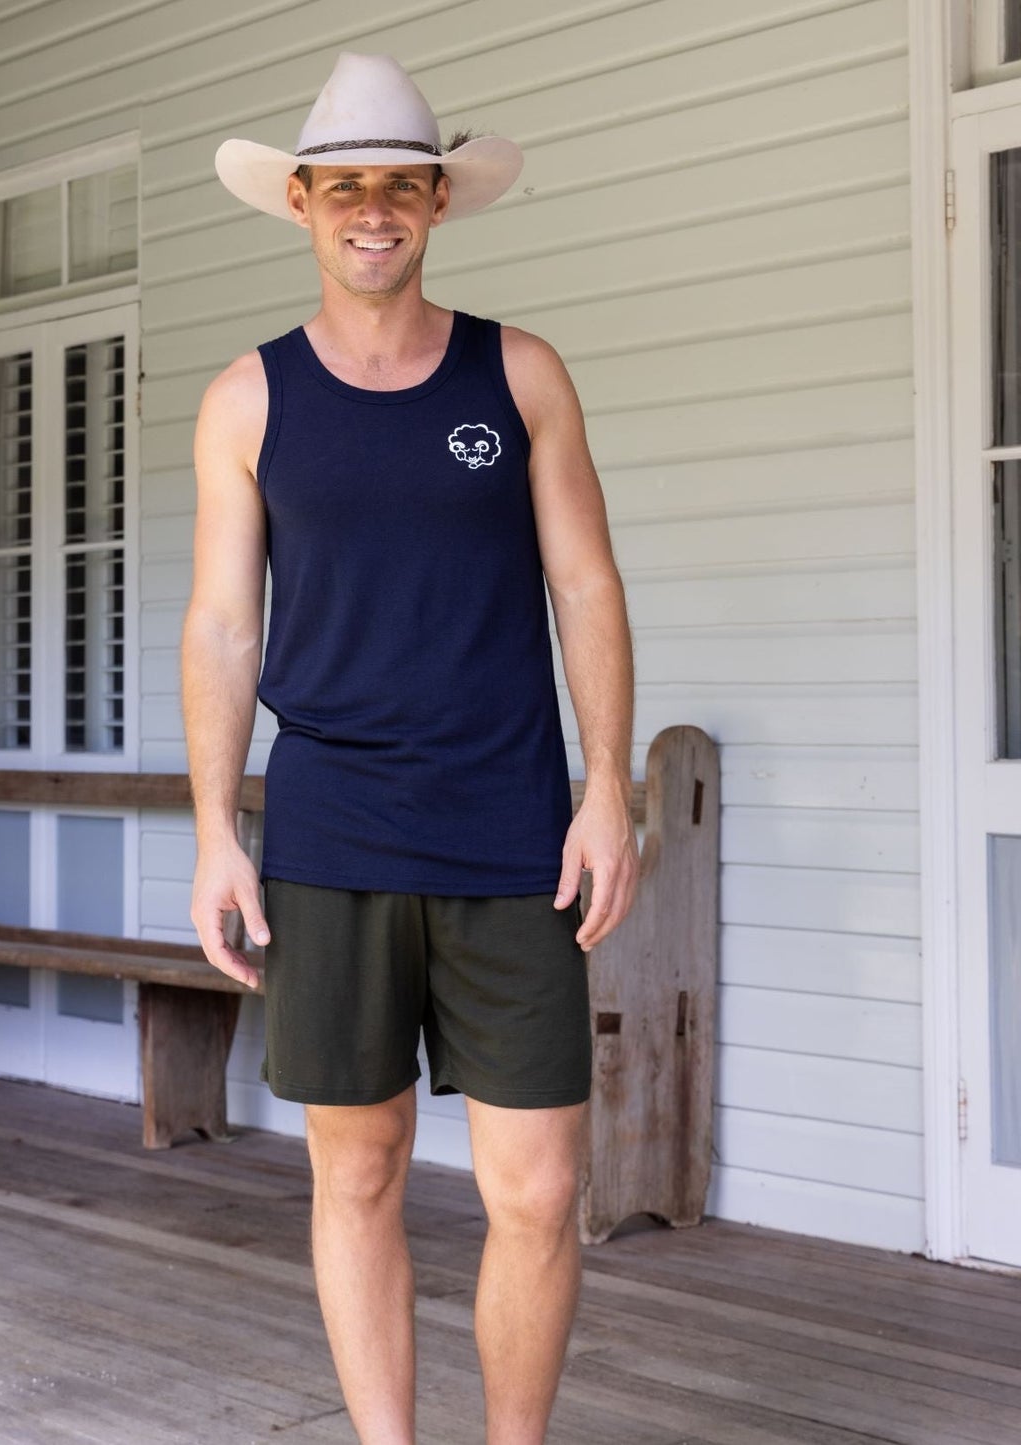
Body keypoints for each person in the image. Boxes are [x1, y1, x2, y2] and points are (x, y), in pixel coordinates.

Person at [181, 52, 638, 1445]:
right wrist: (214, 830)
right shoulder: (247, 400)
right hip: (330, 835)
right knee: (360, 1171)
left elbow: (586, 587)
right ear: (302, 205)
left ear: (437, 203)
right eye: (345, 188)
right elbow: (219, 626)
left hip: (511, 830)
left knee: (539, 1187)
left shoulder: (520, 373)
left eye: (400, 186)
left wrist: (604, 784)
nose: (371, 211)